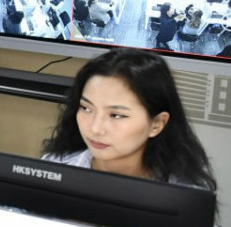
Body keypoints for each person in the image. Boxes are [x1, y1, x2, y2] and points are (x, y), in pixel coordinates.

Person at [41, 49, 216, 189]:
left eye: (116, 115)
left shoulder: (183, 194)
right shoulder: (52, 169)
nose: (95, 129)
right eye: (86, 108)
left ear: (156, 124)